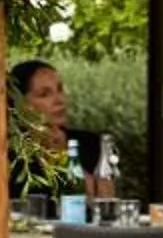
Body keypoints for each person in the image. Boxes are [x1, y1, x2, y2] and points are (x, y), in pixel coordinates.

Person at [9, 59, 116, 200]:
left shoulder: (90, 144)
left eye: (60, 90)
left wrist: (64, 158)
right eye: (44, 94)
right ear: (21, 104)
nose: (59, 100)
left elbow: (105, 201)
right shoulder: (1, 152)